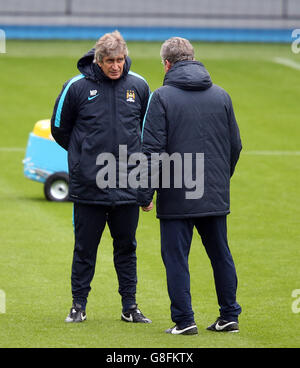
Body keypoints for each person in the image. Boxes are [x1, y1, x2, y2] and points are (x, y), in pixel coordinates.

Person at [138, 37, 242, 334]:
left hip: (177, 194)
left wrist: (146, 194)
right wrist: (219, 180)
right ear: (193, 58)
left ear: (167, 64)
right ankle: (229, 316)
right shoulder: (222, 95)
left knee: (176, 258)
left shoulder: (161, 97)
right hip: (213, 192)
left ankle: (184, 321)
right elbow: (235, 145)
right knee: (221, 254)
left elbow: (153, 152)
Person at [51, 30, 151, 324]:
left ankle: (129, 307)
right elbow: (60, 128)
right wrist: (83, 157)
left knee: (127, 249)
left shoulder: (139, 86)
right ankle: (78, 306)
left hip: (128, 187)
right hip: (89, 187)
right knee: (84, 250)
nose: (116, 66)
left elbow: (148, 132)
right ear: (99, 59)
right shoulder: (76, 87)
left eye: (120, 60)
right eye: (110, 60)